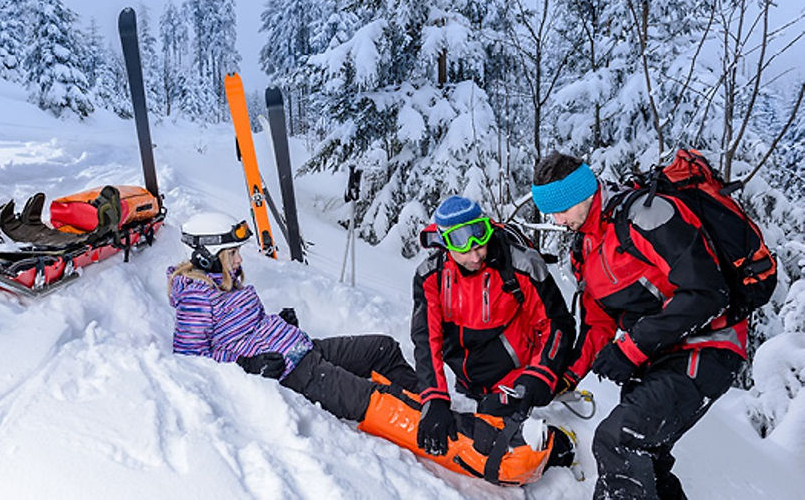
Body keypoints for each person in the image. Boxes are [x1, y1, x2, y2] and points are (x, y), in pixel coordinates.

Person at [169, 210, 574, 485]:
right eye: (232, 254)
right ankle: (507, 451)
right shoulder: (195, 297)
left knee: (381, 349)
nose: (239, 260)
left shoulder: (225, 284)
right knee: (380, 401)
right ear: (207, 257)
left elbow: (240, 327)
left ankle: (431, 406)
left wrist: (274, 325)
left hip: (304, 348)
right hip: (294, 372)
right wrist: (249, 363)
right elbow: (190, 359)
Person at [531, 152, 744, 499]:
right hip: (654, 360)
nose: (557, 220)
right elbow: (598, 323)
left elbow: (707, 292)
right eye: (550, 212)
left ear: (584, 193)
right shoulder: (585, 248)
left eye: (562, 208)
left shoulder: (644, 216)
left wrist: (630, 348)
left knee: (619, 440)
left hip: (706, 348)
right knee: (649, 464)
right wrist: (564, 378)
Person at [412, 195, 576, 456]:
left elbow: (557, 324)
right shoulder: (430, 277)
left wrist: (539, 375)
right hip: (467, 380)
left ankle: (558, 440)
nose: (476, 255)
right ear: (445, 244)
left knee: (496, 438)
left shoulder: (521, 265)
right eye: (464, 249)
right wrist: (434, 398)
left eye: (481, 243)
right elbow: (426, 339)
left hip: (516, 378)